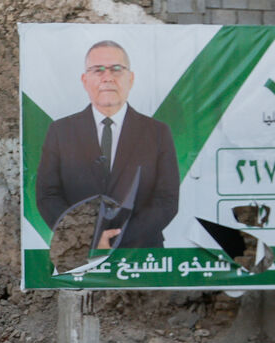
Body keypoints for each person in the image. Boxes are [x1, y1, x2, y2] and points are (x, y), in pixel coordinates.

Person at [35, 40, 179, 249]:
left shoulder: (157, 133)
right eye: (98, 70)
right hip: (78, 251)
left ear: (131, 78)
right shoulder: (60, 131)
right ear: (85, 80)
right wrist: (87, 236)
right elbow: (48, 196)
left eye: (116, 69)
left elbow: (167, 200)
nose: (108, 77)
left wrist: (117, 238)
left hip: (141, 255)